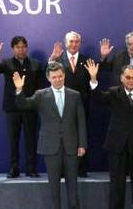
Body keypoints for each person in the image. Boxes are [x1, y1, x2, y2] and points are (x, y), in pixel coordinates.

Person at [13, 62, 87, 209]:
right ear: (48, 78)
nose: (58, 80)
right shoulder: (41, 95)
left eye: (60, 76)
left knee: (73, 187)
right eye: (54, 77)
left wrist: (82, 144)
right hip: (50, 147)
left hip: (71, 146)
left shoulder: (75, 95)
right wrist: (19, 89)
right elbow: (23, 105)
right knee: (53, 188)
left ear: (64, 75)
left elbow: (81, 121)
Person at [85, 59, 133, 209]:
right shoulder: (114, 92)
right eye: (128, 77)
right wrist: (94, 79)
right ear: (122, 78)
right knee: (117, 182)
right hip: (117, 145)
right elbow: (98, 98)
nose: (131, 80)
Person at [0, 36, 42, 178]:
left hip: (30, 107)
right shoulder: (6, 63)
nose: (21, 49)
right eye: (18, 47)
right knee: (13, 139)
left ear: (27, 48)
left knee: (31, 139)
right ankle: (14, 168)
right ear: (13, 49)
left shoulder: (36, 64)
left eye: (23, 46)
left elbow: (42, 84)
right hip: (12, 108)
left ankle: (31, 168)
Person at [49, 31, 91, 177]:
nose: (74, 44)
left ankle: (81, 168)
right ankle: (62, 170)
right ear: (66, 43)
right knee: (63, 137)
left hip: (82, 105)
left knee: (81, 135)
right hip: (62, 105)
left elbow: (92, 84)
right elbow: (49, 78)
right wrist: (52, 60)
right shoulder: (57, 60)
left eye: (76, 42)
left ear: (80, 43)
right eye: (71, 41)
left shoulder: (87, 60)